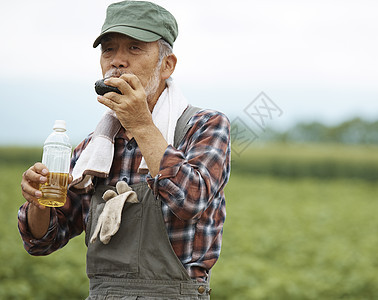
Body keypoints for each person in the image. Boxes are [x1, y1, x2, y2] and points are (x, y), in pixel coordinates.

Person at [18, 1, 231, 299]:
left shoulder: (205, 125)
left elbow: (191, 201)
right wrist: (39, 203)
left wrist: (142, 125)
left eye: (134, 48)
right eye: (109, 50)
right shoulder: (95, 148)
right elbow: (42, 241)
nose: (118, 61)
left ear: (167, 65)